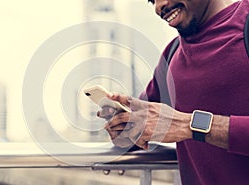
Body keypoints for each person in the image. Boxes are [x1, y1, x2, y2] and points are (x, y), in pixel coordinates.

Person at [98, 0, 249, 184]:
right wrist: (123, 128)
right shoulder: (172, 55)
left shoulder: (245, 24)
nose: (159, 6)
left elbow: (177, 123)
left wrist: (189, 125)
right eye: (152, 0)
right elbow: (144, 125)